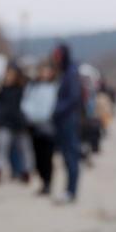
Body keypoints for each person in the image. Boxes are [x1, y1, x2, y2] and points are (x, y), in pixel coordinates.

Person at [50, 43, 85, 204]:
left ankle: (71, 191)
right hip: (64, 119)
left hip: (68, 120)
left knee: (71, 156)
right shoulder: (64, 73)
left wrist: (56, 109)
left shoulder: (70, 73)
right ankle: (69, 190)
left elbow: (72, 98)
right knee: (66, 156)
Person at [22, 62, 60, 197]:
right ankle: (43, 181)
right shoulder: (32, 87)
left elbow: (52, 107)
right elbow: (26, 103)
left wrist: (42, 115)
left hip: (47, 125)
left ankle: (48, 183)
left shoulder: (55, 88)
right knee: (37, 157)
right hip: (33, 125)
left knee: (47, 156)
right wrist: (31, 115)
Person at [0, 65, 31, 184]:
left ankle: (25, 171)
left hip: (19, 123)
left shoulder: (22, 89)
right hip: (5, 122)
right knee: (1, 146)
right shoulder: (2, 89)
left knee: (23, 149)